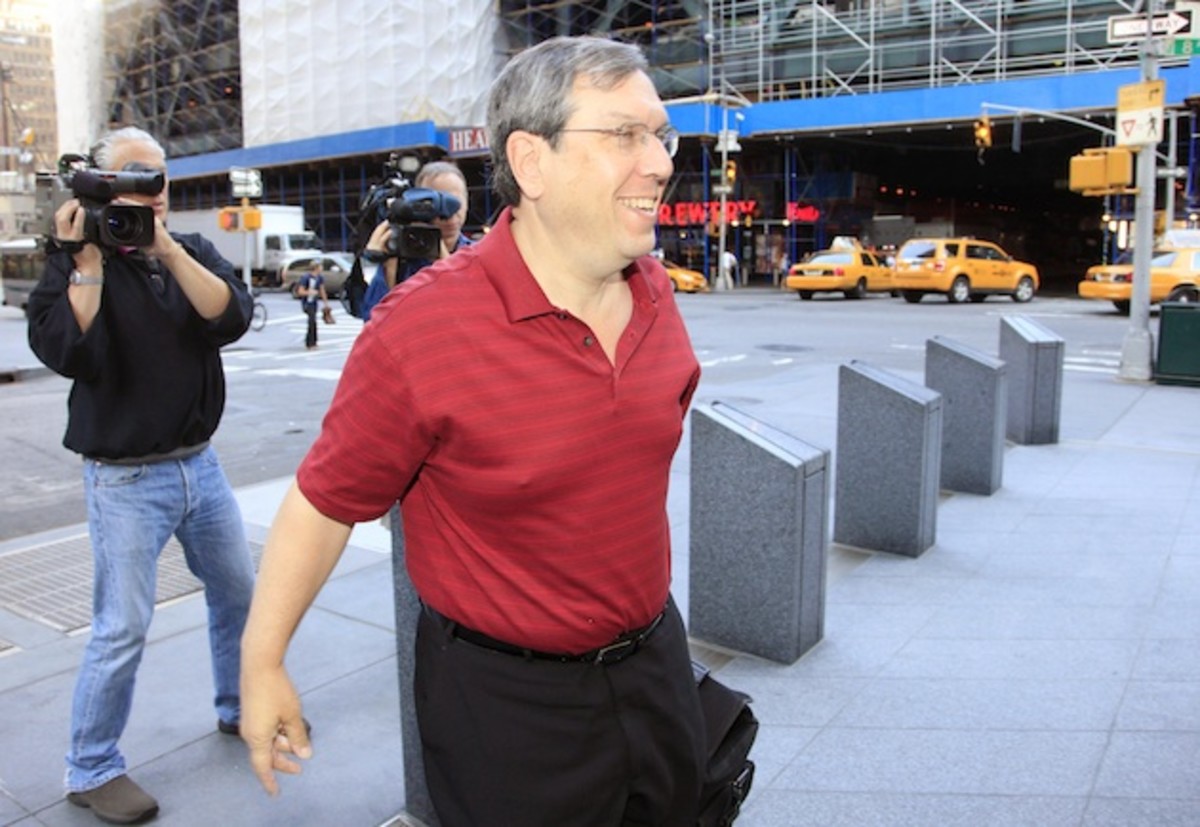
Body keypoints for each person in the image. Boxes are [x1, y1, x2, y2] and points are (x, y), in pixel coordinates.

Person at [240, 35, 706, 826]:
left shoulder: (658, 295)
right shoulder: (421, 329)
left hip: (658, 666)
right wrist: (262, 662)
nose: (659, 163)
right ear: (531, 160)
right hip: (507, 707)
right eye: (625, 135)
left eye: (660, 136)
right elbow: (323, 504)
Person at [26, 126, 256, 825]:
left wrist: (166, 249)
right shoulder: (75, 256)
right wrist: (86, 262)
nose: (149, 191)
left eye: (158, 177)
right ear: (100, 184)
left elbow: (230, 315)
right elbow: (70, 350)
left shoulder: (186, 250)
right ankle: (92, 766)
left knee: (238, 592)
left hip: (200, 466)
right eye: (132, 176)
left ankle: (240, 705)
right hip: (125, 481)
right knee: (122, 625)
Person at [358, 160, 472, 321]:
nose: (449, 213)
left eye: (455, 201)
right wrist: (389, 269)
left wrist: (444, 262)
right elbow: (373, 321)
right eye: (436, 203)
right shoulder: (403, 260)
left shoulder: (480, 255)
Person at [296, 260, 329, 349]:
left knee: (314, 321)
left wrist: (326, 303)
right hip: (307, 303)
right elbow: (300, 291)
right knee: (311, 321)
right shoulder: (306, 277)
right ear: (316, 268)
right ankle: (309, 342)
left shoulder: (319, 278)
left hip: (314, 303)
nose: (322, 268)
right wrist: (309, 292)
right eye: (320, 266)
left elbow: (322, 290)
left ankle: (314, 341)